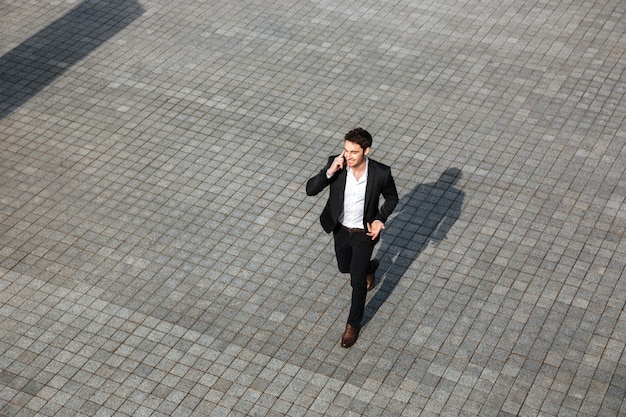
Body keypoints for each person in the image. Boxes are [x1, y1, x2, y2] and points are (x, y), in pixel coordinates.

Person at [306, 128, 399, 347]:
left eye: (354, 152)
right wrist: (329, 172)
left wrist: (379, 218)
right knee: (344, 267)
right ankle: (369, 268)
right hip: (340, 230)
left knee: (356, 282)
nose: (348, 156)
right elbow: (310, 190)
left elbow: (392, 198)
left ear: (366, 151)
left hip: (363, 234)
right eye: (346, 150)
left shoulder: (380, 173)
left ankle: (353, 324)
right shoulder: (337, 165)